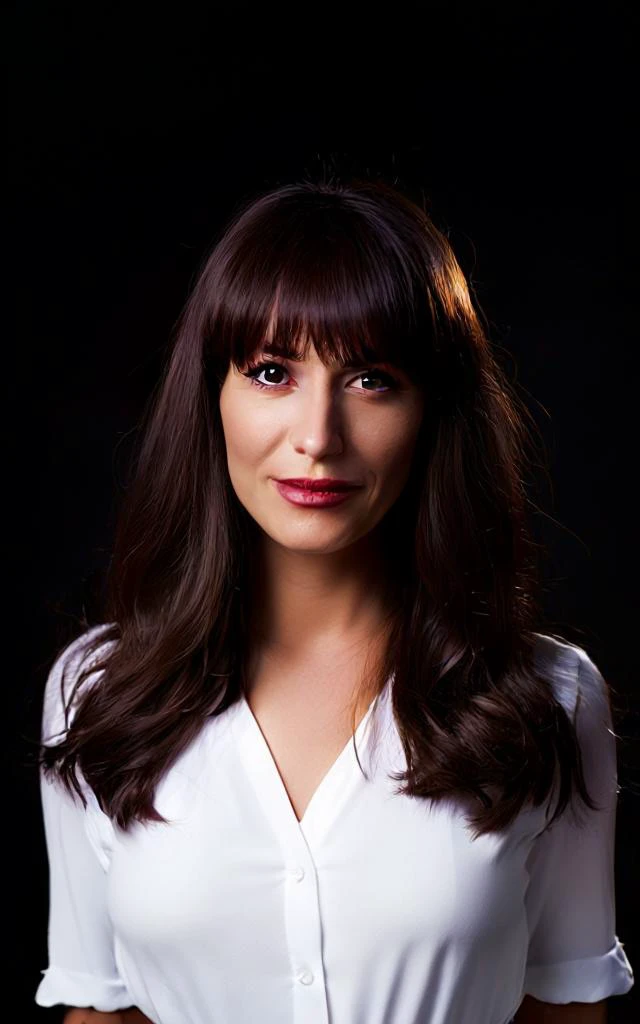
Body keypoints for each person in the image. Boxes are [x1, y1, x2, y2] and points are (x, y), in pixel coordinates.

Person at [34, 176, 634, 1024]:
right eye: (272, 371)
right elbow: (98, 1007)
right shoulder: (98, 694)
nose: (317, 437)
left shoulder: (549, 699)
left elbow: (567, 1006)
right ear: (213, 396)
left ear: (434, 410)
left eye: (372, 379)